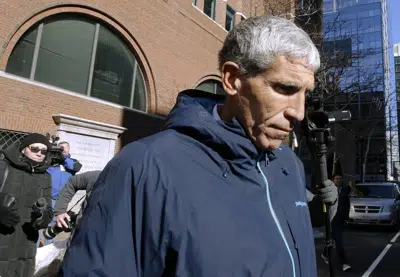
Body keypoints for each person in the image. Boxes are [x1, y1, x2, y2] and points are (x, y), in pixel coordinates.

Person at [60, 16, 338, 277]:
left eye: (305, 93)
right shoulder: (144, 167)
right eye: (285, 89)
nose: (299, 113)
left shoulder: (289, 163)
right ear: (232, 80)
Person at [0, 133, 53, 277]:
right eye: (35, 149)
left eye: (44, 151)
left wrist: (42, 216)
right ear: (24, 149)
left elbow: (48, 209)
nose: (39, 153)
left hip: (26, 242)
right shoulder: (4, 166)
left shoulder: (45, 177)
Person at [42, 141, 82, 246]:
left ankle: (47, 249)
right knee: (40, 223)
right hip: (46, 197)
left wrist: (63, 158)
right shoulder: (51, 160)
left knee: (54, 226)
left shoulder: (72, 162)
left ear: (69, 151)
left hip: (60, 200)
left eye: (65, 148)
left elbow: (75, 167)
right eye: (60, 148)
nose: (62, 150)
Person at [322, 173, 351, 272]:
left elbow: (347, 206)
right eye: (336, 178)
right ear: (333, 180)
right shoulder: (329, 191)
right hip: (331, 219)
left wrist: (346, 218)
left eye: (340, 179)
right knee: (339, 242)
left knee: (332, 239)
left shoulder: (344, 191)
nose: (338, 180)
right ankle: (344, 263)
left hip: (340, 220)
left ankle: (325, 254)